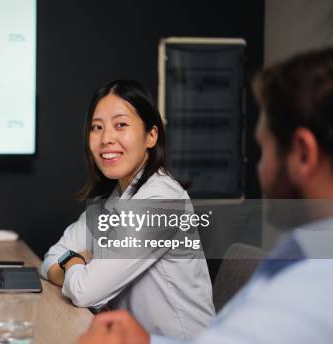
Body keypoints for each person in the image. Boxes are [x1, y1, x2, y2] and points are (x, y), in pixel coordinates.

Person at [77, 48, 333, 344]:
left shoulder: (318, 285)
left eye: (264, 150)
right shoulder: (301, 252)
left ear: (303, 154)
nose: (261, 169)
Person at [40, 80, 215, 339]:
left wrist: (74, 263)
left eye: (120, 125)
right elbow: (49, 259)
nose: (106, 138)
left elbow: (84, 291)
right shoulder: (115, 198)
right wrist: (75, 267)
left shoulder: (161, 201)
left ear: (151, 136)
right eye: (96, 127)